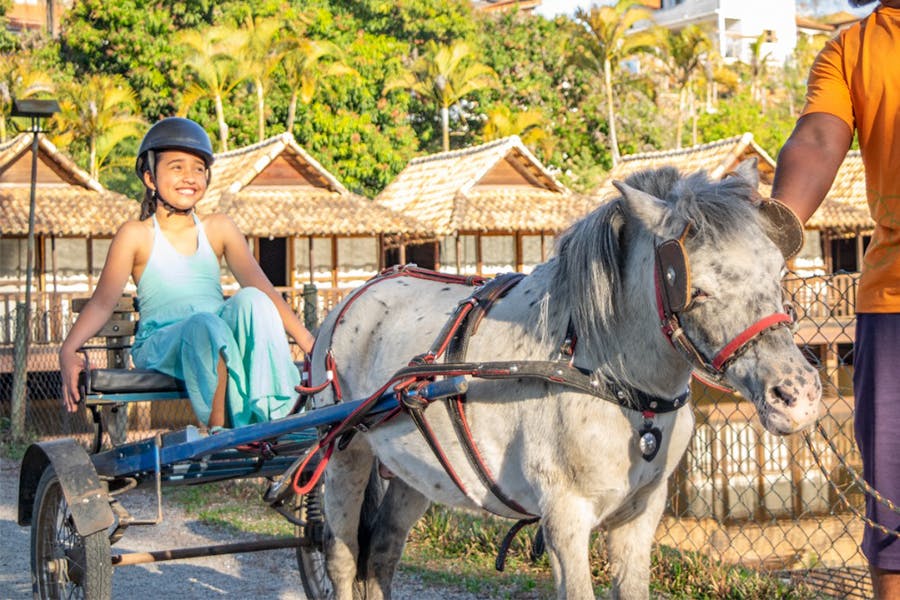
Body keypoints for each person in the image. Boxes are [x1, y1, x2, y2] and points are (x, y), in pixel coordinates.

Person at [60, 117, 315, 430]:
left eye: (198, 168)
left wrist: (310, 344)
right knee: (206, 325)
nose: (190, 177)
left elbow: (264, 289)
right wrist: (68, 349)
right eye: (177, 167)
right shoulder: (136, 234)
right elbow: (102, 303)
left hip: (214, 338)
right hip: (161, 344)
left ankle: (276, 421)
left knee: (253, 301)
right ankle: (220, 433)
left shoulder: (218, 228)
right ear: (150, 177)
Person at [771, 1, 900, 597]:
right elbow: (821, 140)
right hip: (893, 301)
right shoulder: (852, 49)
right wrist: (769, 245)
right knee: (892, 509)